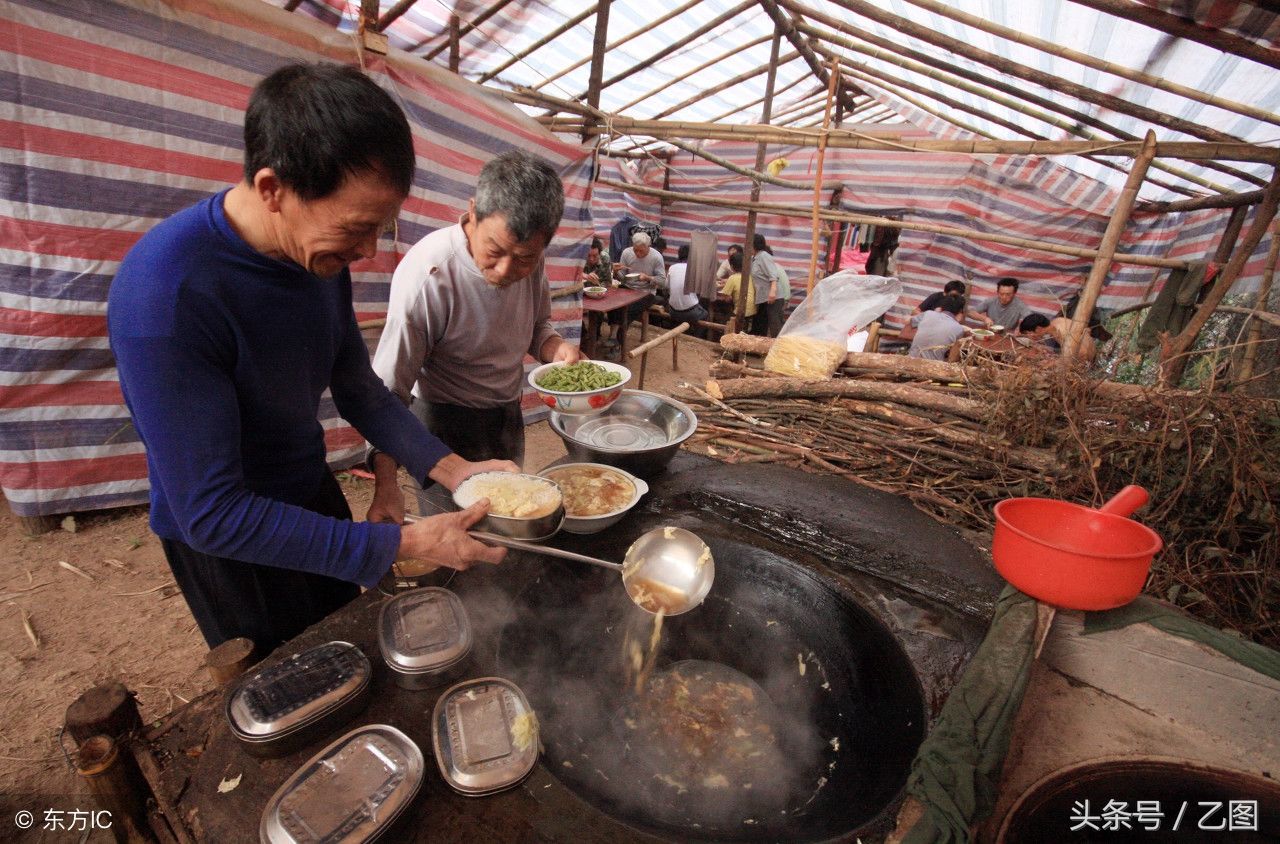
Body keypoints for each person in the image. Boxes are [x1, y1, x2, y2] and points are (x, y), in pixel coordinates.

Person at [107, 63, 510, 652]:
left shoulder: (317, 255)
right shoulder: (165, 295)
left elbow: (358, 387)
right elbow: (211, 511)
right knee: (292, 686)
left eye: (382, 227)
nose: (368, 251)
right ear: (273, 189)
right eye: (358, 228)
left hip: (307, 488)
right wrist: (406, 543)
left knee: (348, 648)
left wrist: (454, 470)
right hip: (230, 545)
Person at [368, 150, 582, 523]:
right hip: (442, 424)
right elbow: (387, 393)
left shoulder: (528, 256)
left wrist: (556, 348)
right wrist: (385, 483)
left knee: (509, 523)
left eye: (525, 258)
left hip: (505, 414)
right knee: (452, 537)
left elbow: (536, 328)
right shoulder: (429, 275)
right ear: (473, 211)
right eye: (495, 251)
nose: (506, 270)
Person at [663, 245, 708, 334]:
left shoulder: (672, 267)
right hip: (690, 313)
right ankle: (696, 337)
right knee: (705, 314)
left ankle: (681, 331)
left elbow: (666, 286)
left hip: (672, 311)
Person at [1018, 312, 1097, 363]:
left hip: (1087, 362)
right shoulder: (1056, 322)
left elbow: (1083, 353)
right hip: (1086, 356)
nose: (1029, 336)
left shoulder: (1061, 332)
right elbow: (1069, 349)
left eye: (1029, 333)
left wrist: (1054, 363)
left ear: (1038, 328)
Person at [908, 295, 966, 361]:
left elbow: (910, 323)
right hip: (934, 366)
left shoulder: (928, 313)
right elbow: (952, 358)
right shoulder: (959, 329)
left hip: (911, 359)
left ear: (941, 307)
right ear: (960, 312)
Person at [749, 234, 785, 336]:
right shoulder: (754, 258)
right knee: (760, 324)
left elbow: (773, 275)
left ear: (754, 244)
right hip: (763, 298)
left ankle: (780, 349)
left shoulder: (764, 256)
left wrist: (773, 292)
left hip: (773, 297)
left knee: (775, 325)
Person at [719, 251, 756, 323]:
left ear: (732, 266)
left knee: (723, 316)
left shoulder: (732, 278)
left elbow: (725, 298)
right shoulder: (750, 276)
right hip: (753, 310)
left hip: (741, 312)